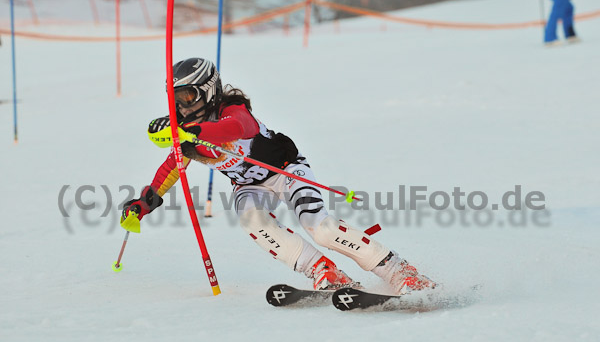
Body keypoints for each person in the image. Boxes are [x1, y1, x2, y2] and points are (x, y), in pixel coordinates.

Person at [121, 57, 436, 295]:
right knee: (251, 221)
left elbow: (237, 129)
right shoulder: (186, 137)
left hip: (284, 170)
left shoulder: (232, 111)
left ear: (208, 90)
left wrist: (192, 132)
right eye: (175, 100)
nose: (181, 106)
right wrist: (142, 205)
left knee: (321, 229)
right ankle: (323, 271)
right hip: (248, 184)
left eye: (187, 97)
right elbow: (168, 171)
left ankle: (399, 271)